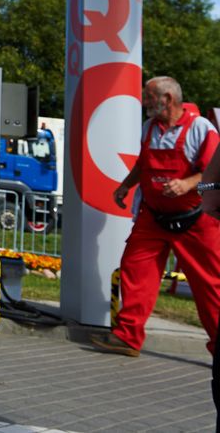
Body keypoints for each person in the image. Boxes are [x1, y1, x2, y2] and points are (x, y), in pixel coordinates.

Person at [92, 76, 220, 359]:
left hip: (197, 219)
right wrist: (126, 185)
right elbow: (143, 163)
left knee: (210, 285)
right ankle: (127, 336)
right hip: (153, 217)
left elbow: (213, 169)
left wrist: (187, 184)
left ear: (168, 99)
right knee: (135, 269)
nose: (145, 102)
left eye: (149, 97)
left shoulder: (201, 128)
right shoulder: (149, 128)